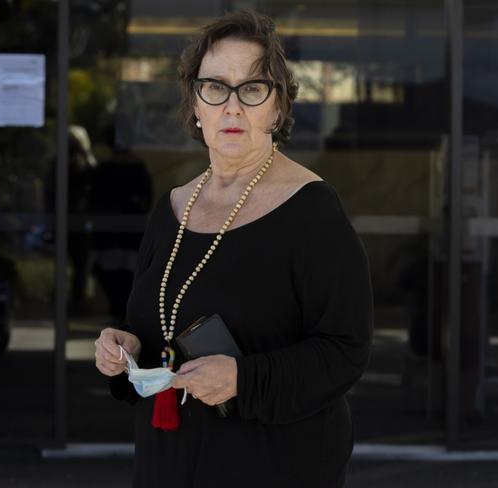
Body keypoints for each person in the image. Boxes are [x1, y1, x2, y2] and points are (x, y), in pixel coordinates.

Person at [94, 9, 373, 488]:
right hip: (172, 458)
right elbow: (153, 322)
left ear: (279, 107)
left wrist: (244, 380)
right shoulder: (172, 208)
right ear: (195, 104)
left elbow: (345, 350)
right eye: (216, 87)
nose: (232, 106)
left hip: (272, 462)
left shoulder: (312, 212)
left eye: (253, 88)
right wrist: (125, 347)